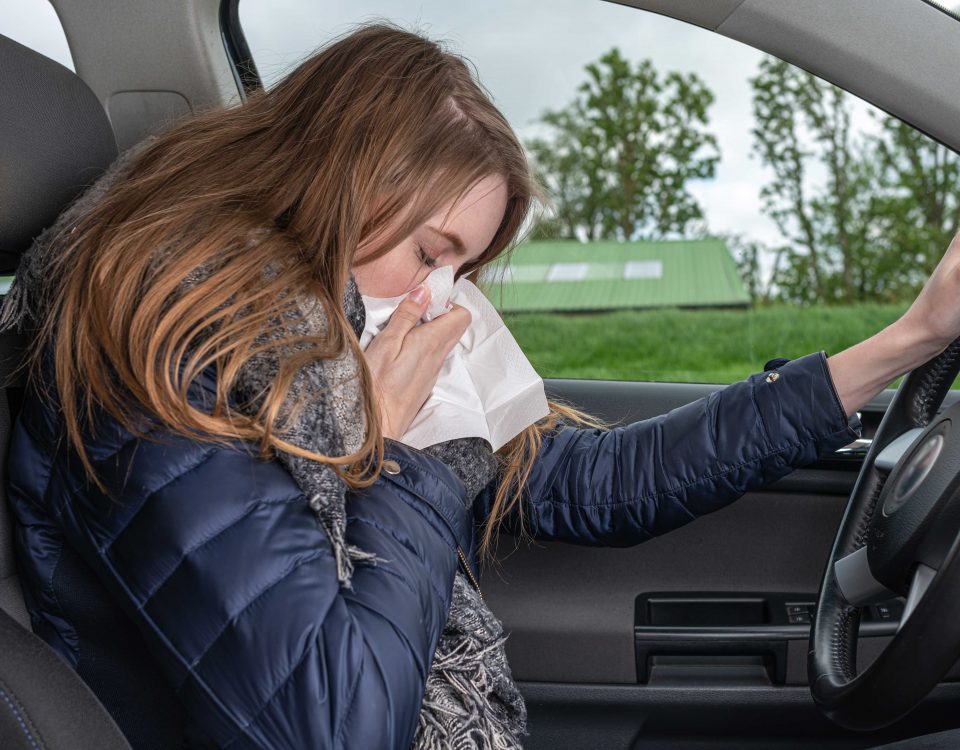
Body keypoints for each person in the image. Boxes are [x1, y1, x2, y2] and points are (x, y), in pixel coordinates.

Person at [3, 21, 960, 750]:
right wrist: (392, 454)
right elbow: (334, 726)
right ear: (334, 181)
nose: (441, 298)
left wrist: (904, 341)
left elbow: (594, 482)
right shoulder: (178, 353)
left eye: (461, 267)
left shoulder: (329, 340)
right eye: (431, 251)